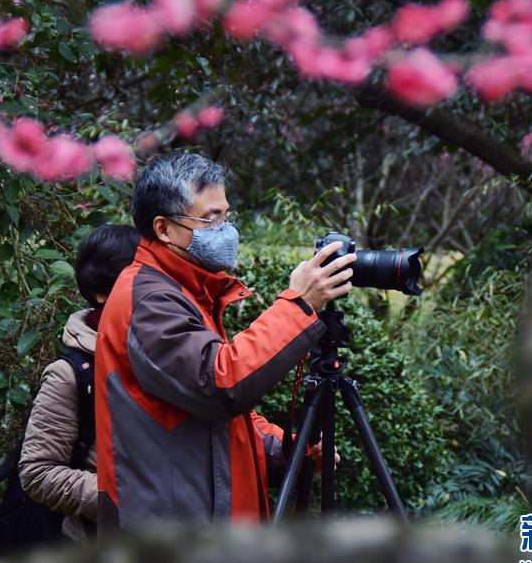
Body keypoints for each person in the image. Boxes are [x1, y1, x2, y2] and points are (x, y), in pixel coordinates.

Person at [94, 153, 355, 531]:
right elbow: (221, 383)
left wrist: (284, 447)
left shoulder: (187, 291)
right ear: (164, 229)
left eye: (226, 216)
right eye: (210, 218)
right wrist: (299, 304)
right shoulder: (150, 301)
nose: (225, 230)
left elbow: (216, 426)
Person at [18, 223, 140, 542]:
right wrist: (121, 501)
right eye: (132, 281)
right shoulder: (71, 373)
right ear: (101, 293)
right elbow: (38, 472)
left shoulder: (168, 352)